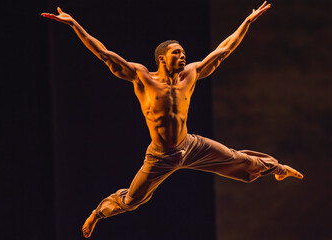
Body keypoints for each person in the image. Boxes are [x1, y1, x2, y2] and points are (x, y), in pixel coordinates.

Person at [42, 1, 303, 238]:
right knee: (133, 200)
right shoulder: (142, 77)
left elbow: (223, 50)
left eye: (184, 53)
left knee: (238, 159)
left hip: (191, 146)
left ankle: (277, 170)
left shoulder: (190, 74)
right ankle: (98, 213)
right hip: (160, 156)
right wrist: (75, 24)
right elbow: (104, 54)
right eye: (177, 53)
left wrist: (247, 21)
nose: (183, 56)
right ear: (162, 58)